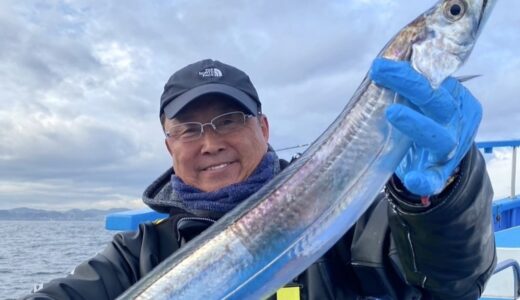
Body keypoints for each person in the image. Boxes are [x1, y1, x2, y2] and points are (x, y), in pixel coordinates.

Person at [23, 58, 496, 300]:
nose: (210, 143)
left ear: (263, 128)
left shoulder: (343, 211)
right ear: (169, 146)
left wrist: (447, 195)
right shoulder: (138, 255)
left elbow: (451, 283)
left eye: (229, 120)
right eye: (189, 129)